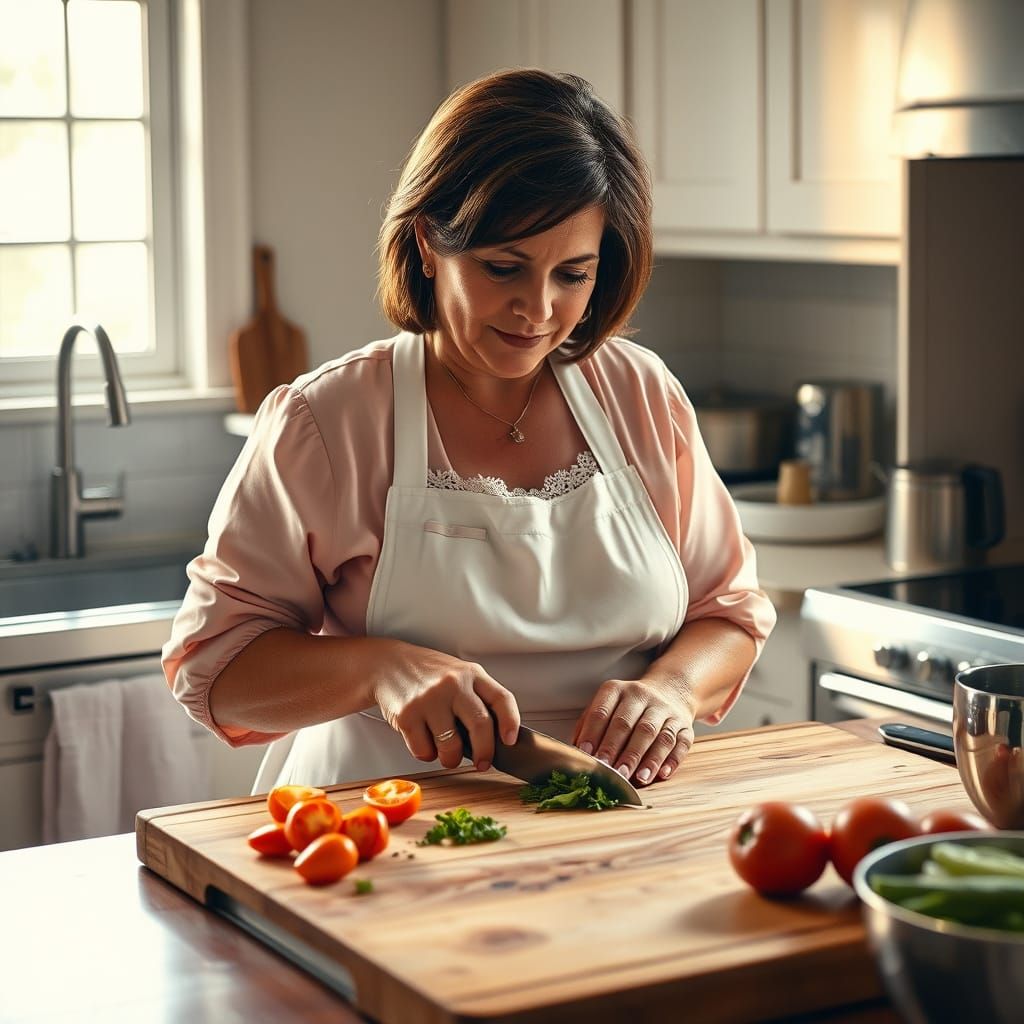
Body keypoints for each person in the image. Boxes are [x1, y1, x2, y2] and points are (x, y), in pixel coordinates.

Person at [162, 68, 777, 794]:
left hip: (618, 832)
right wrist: (380, 669)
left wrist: (674, 687)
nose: (538, 310)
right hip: (385, 833)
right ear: (427, 244)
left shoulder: (642, 396)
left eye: (572, 274)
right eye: (503, 268)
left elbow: (729, 615)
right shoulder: (326, 422)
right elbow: (214, 669)